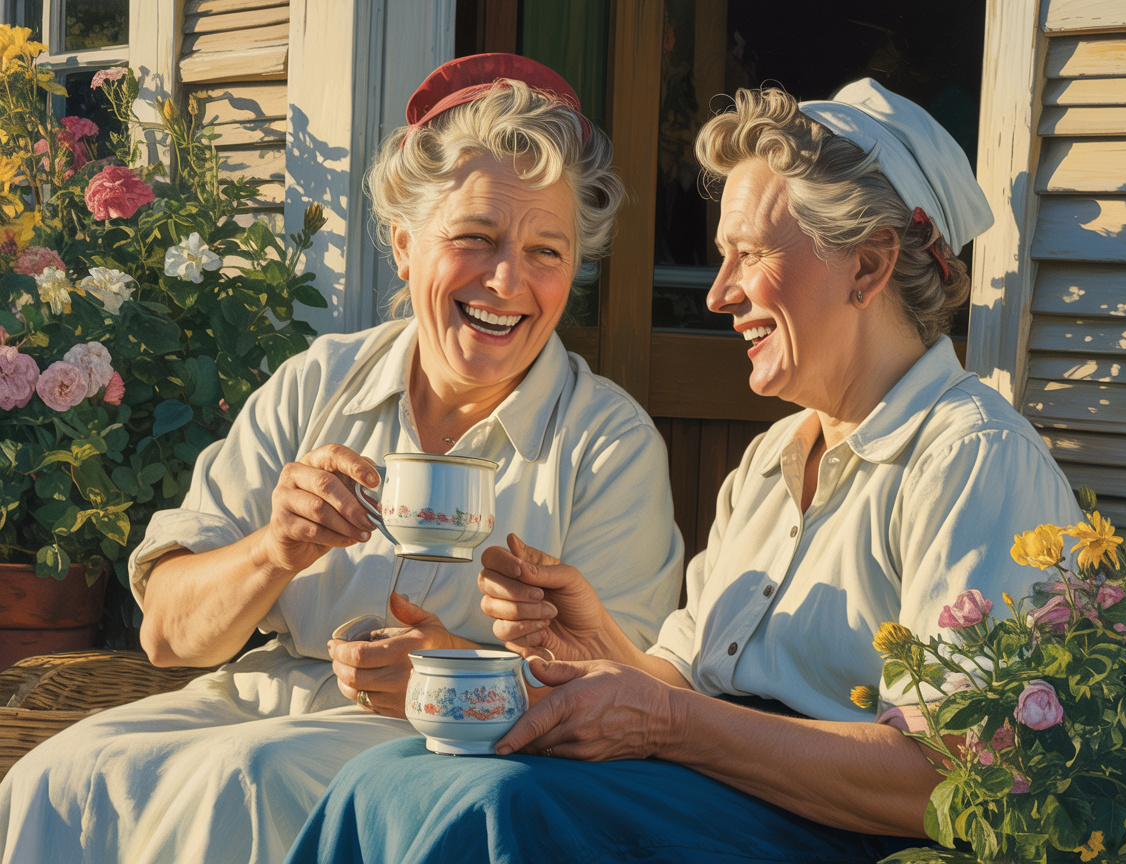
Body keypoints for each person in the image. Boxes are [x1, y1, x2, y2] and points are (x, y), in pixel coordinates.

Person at [283, 79, 1084, 864]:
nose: (719, 293)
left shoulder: (971, 458)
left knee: (501, 804)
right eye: (720, 259)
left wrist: (669, 721)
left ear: (868, 269)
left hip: (841, 834)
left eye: (751, 255)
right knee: (390, 773)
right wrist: (590, 639)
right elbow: (681, 692)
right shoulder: (772, 460)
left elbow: (971, 777)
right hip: (719, 802)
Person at [0, 54, 684, 864]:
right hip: (254, 700)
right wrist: (272, 549)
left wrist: (450, 676)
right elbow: (167, 635)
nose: (508, 281)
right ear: (402, 246)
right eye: (476, 237)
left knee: (246, 780)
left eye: (548, 251)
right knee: (57, 776)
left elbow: (631, 703)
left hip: (449, 759)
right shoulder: (318, 382)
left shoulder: (607, 443)